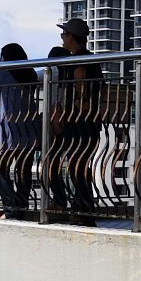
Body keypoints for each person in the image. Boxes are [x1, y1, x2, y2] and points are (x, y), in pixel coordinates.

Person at [0, 44, 40, 216]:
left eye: (1, 56)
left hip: (10, 130)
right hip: (29, 128)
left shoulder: (4, 73)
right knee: (23, 171)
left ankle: (11, 207)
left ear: (7, 58)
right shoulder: (31, 74)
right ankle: (20, 208)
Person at [56, 18, 101, 215]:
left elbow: (81, 84)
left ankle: (83, 208)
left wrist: (73, 110)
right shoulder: (90, 59)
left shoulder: (78, 60)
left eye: (64, 35)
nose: (62, 38)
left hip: (79, 119)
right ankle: (83, 206)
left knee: (77, 164)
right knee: (81, 164)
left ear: (71, 37)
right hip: (90, 119)